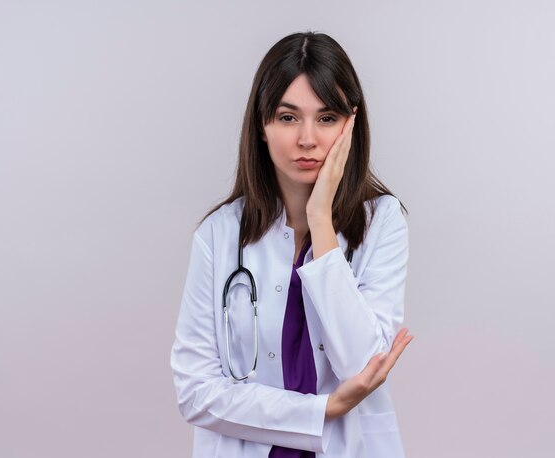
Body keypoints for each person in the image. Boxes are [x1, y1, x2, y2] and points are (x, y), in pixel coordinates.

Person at [171, 31, 414, 457]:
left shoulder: (382, 221)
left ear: (351, 125)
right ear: (261, 127)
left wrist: (321, 220)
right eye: (287, 118)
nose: (307, 139)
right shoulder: (219, 234)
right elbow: (195, 392)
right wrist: (321, 411)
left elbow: (364, 365)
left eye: (326, 118)